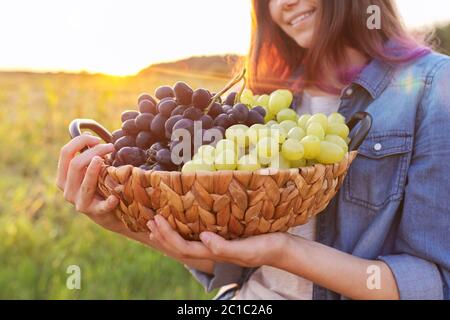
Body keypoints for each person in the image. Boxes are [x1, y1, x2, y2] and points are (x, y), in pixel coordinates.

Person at [57, 0, 450, 300]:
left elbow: (433, 283)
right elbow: (230, 259)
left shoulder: (433, 87)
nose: (283, 5)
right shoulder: (260, 105)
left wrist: (285, 250)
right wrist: (126, 224)